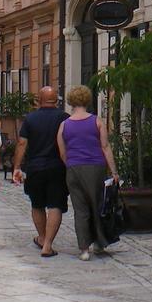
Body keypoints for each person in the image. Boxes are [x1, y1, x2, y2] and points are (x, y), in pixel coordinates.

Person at [56, 85, 118, 261]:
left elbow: (62, 151)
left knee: (80, 209)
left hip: (73, 169)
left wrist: (71, 165)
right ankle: (99, 242)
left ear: (71, 102)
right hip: (95, 168)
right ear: (87, 100)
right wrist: (113, 171)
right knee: (97, 205)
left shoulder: (64, 125)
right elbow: (105, 147)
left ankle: (83, 248)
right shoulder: (96, 121)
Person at [13, 86, 68, 258]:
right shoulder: (64, 118)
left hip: (35, 167)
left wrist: (16, 167)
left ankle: (42, 238)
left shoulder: (30, 118)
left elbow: (22, 143)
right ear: (56, 101)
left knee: (37, 204)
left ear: (39, 100)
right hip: (57, 167)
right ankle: (48, 245)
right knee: (55, 205)